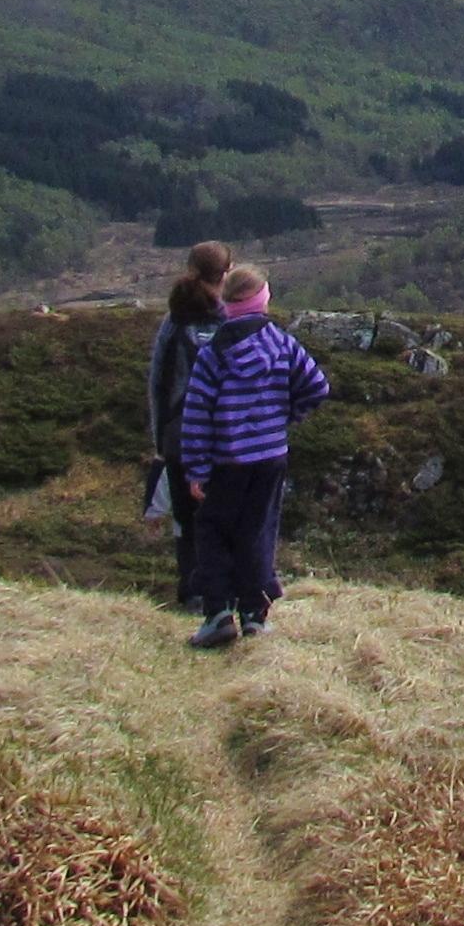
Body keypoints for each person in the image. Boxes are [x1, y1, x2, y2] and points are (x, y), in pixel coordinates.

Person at [175, 264, 330, 649]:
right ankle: (254, 616)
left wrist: (195, 469)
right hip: (271, 457)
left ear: (228, 305)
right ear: (262, 302)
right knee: (255, 533)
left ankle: (217, 614)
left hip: (228, 462)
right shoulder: (282, 343)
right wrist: (282, 418)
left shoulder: (214, 354)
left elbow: (196, 415)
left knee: (211, 532)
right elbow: (316, 387)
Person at [144, 244, 230, 609]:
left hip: (178, 435)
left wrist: (159, 438)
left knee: (185, 518)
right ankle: (219, 594)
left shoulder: (174, 320)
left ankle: (191, 590)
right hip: (222, 437)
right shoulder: (230, 321)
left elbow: (157, 383)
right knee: (220, 516)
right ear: (225, 275)